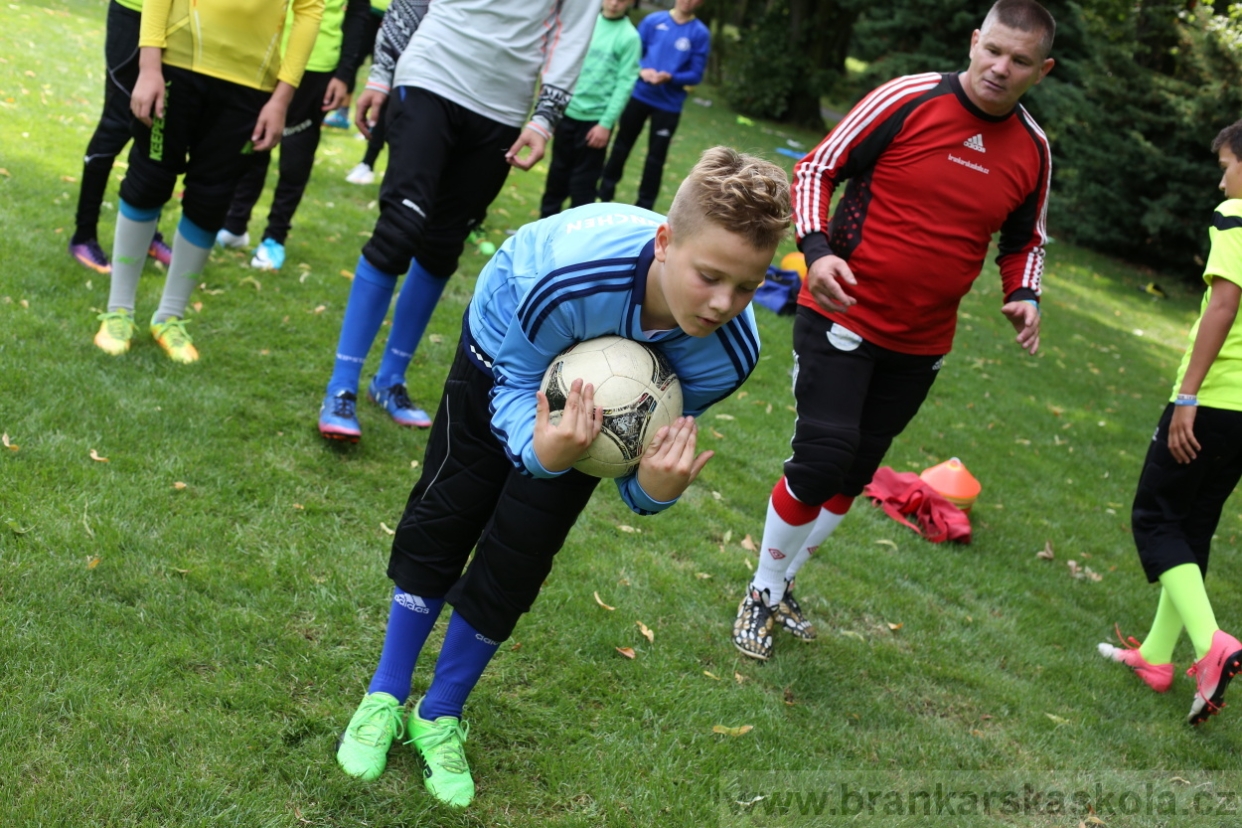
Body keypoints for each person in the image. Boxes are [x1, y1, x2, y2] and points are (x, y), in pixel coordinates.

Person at [332, 147, 790, 808]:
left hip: (589, 415)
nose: (724, 304)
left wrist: (655, 491)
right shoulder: (571, 279)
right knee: (450, 507)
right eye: (711, 276)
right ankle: (383, 693)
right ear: (665, 243)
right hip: (506, 348)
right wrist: (543, 451)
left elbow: (635, 460)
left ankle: (438, 714)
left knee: (523, 548)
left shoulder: (727, 353)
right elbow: (517, 382)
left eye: (747, 287)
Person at [730, 0, 1055, 661]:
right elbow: (818, 168)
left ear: (1040, 71)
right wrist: (817, 251)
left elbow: (1028, 238)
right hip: (842, 314)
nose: (1000, 67)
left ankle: (786, 582)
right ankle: (762, 589)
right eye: (992, 49)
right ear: (973, 42)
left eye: (1020, 60)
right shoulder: (909, 99)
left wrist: (1024, 293)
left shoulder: (1033, 150)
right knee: (821, 459)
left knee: (853, 474)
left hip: (922, 342)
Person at [316, 0, 597, 441]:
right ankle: (341, 387)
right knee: (398, 233)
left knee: (442, 246)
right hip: (430, 73)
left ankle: (389, 380)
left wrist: (544, 119)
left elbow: (575, 33)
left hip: (502, 109)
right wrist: (380, 71)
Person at [1098, 120, 1242, 726]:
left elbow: (1224, 303)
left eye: (1228, 164)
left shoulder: (1236, 219)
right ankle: (1157, 656)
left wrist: (1187, 396)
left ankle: (1212, 646)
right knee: (1192, 524)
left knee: (1155, 515)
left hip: (1212, 400)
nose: (1222, 177)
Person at [91, 0, 322, 363]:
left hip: (252, 82)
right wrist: (149, 64)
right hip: (176, 63)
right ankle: (119, 311)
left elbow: (310, 11)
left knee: (212, 199)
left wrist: (282, 98)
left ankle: (169, 317)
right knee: (148, 182)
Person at [215, 0, 372, 271]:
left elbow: (358, 12)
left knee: (295, 158)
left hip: (316, 66)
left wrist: (345, 74)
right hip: (265, 52)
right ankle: (235, 224)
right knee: (253, 143)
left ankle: (275, 237)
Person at [68, 0, 172, 274]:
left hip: (175, 19)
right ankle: (83, 235)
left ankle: (146, 234)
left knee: (158, 128)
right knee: (116, 125)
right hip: (134, 12)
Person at [597, 0, 709, 211]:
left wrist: (671, 77)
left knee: (655, 160)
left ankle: (644, 207)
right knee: (621, 147)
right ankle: (603, 196)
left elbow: (696, 74)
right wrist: (642, 70)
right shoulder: (653, 21)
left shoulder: (700, 33)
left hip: (669, 105)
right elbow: (634, 54)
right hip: (640, 95)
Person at [538, 0, 641, 217]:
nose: (614, 3)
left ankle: (575, 242)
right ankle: (542, 233)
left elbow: (624, 84)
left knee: (582, 188)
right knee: (556, 178)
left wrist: (605, 124)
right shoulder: (586, 24)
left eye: (621, 0)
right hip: (566, 112)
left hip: (595, 123)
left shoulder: (629, 37)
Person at [342, 0, 392, 185]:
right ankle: (343, 114)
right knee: (352, 65)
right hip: (368, 11)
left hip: (397, 17)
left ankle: (368, 161)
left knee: (387, 90)